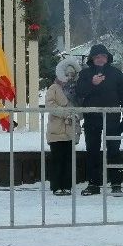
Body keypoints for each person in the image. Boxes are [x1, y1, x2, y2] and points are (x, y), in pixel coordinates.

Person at [75, 43, 123, 196]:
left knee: (114, 151)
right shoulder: (85, 74)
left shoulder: (116, 73)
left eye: (103, 56)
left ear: (107, 58)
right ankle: (93, 184)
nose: (100, 59)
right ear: (92, 59)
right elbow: (79, 93)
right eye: (97, 56)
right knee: (92, 151)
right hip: (91, 119)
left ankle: (116, 183)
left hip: (112, 118)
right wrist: (92, 83)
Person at [44, 58, 81, 196]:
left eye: (72, 75)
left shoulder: (75, 91)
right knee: (57, 159)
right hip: (57, 131)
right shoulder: (53, 88)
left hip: (71, 131)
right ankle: (56, 186)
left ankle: (67, 185)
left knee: (68, 160)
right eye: (67, 74)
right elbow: (50, 105)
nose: (69, 77)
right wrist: (67, 113)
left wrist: (77, 115)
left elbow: (79, 108)